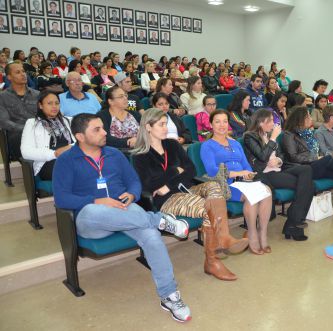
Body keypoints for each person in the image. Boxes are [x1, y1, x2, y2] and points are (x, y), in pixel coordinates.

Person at [52, 113, 191, 322]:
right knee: (93, 210)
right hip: (92, 218)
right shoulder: (66, 160)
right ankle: (158, 219)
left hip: (125, 210)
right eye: (97, 130)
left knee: (152, 237)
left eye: (103, 127)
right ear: (80, 136)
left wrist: (132, 194)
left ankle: (169, 295)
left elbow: (134, 182)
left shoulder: (114, 154)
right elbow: (61, 198)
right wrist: (97, 201)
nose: (105, 132)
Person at [132, 108, 247, 279]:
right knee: (208, 207)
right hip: (167, 199)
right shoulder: (140, 155)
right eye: (161, 125)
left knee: (214, 187)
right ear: (148, 127)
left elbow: (191, 169)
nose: (166, 128)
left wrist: (168, 181)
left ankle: (222, 238)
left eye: (166, 124)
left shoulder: (172, 144)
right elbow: (149, 184)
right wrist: (174, 171)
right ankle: (213, 260)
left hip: (187, 189)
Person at [201, 109, 273, 255]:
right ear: (210, 124)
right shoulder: (207, 146)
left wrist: (248, 174)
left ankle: (262, 232)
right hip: (225, 183)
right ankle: (252, 234)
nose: (222, 125)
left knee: (267, 191)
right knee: (252, 197)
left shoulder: (235, 143)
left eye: (225, 121)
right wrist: (238, 173)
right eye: (217, 122)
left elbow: (246, 165)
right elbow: (212, 170)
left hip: (243, 181)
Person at [243, 109, 314, 240]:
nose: (273, 124)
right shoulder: (250, 136)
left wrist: (278, 160)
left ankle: (293, 221)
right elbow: (262, 156)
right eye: (270, 121)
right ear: (260, 122)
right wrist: (274, 138)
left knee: (306, 170)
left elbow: (281, 155)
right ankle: (294, 224)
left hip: (278, 168)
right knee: (309, 186)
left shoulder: (269, 134)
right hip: (265, 174)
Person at [281, 106, 333, 224]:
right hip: (303, 169)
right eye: (308, 117)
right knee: (328, 159)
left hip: (316, 165)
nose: (311, 119)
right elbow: (293, 157)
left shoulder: (309, 133)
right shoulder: (288, 135)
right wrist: (316, 158)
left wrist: (318, 157)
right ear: (301, 119)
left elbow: (318, 150)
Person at [21, 90, 74, 179]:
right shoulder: (32, 123)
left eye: (57, 103)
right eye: (50, 103)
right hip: (48, 162)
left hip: (71, 157)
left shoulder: (69, 120)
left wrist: (71, 147)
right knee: (70, 170)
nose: (54, 106)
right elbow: (26, 152)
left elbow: (81, 141)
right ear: (40, 105)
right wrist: (54, 154)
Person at [0, 63, 40, 159]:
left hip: (38, 132)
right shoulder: (2, 97)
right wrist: (27, 129)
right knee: (19, 137)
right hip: (17, 135)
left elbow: (44, 115)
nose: (23, 74)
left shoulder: (37, 94)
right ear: (9, 77)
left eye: (23, 71)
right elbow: (4, 122)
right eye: (18, 72)